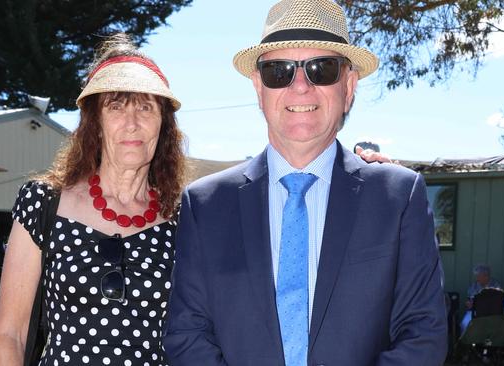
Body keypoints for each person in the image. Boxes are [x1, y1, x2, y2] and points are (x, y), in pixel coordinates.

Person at [163, 0, 448, 365]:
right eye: (279, 71)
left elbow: (423, 334)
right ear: (258, 88)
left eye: (322, 69)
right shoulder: (205, 205)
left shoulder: (398, 197)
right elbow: (187, 334)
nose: (300, 86)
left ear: (348, 86)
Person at [0, 33, 185, 365]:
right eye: (116, 106)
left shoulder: (184, 218)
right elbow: (11, 333)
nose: (132, 123)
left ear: (163, 125)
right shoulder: (44, 203)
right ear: (95, 123)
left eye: (145, 107)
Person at [460, 264, 501, 333]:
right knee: (465, 324)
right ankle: (466, 343)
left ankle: (486, 343)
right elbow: (469, 299)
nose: (477, 278)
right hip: (473, 311)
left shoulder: (495, 285)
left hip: (489, 313)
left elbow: (497, 302)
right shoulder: (474, 286)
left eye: (478, 276)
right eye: (476, 276)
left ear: (486, 276)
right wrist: (468, 304)